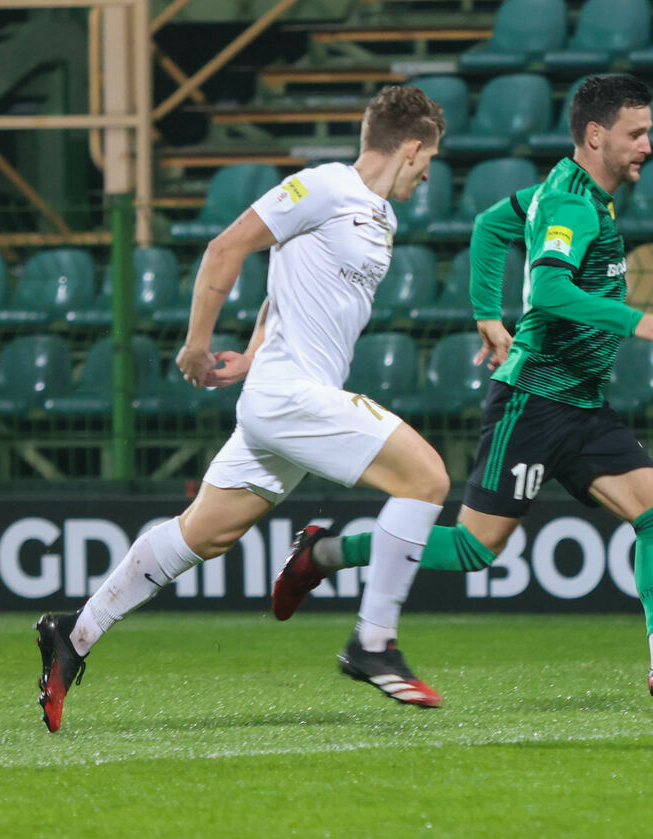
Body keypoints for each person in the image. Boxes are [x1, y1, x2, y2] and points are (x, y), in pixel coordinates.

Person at [272, 73, 653, 703]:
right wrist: (635, 320)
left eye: (648, 132)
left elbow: (492, 225)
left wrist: (486, 314)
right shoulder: (572, 204)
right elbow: (548, 290)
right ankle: (324, 553)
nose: (648, 146)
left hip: (581, 400)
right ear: (595, 135)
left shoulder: (565, 190)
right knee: (473, 548)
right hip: (534, 402)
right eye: (636, 134)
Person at [33, 85, 452, 732]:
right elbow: (226, 248)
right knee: (427, 479)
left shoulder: (380, 216)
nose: (427, 177)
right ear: (414, 147)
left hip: (288, 398)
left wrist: (254, 352)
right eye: (429, 162)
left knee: (202, 533)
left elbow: (287, 287)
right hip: (291, 398)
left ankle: (74, 633)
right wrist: (196, 345)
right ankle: (374, 640)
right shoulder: (324, 186)